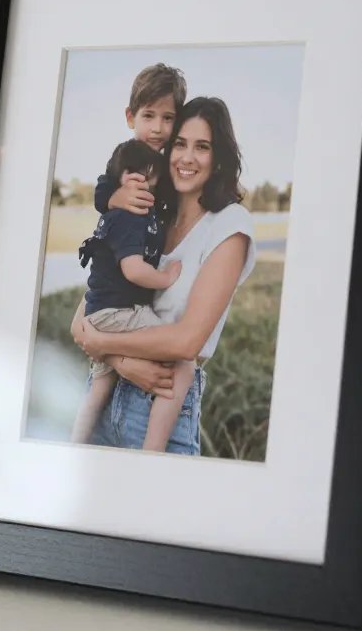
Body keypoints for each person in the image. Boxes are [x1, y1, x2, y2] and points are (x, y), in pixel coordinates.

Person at [72, 96, 256, 456]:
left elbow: (186, 344)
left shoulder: (228, 226)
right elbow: (81, 322)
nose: (187, 157)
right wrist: (123, 364)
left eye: (202, 147)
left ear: (218, 157)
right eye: (180, 144)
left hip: (163, 405)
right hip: (107, 398)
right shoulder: (148, 218)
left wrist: (104, 346)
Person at [71, 139, 195, 451]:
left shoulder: (116, 211)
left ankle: (74, 448)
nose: (154, 187)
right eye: (150, 178)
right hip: (118, 312)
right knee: (182, 361)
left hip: (98, 312)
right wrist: (165, 277)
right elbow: (134, 271)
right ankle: (152, 452)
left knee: (99, 389)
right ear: (131, 178)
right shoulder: (130, 216)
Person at [94, 62, 187, 218]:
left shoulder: (172, 161)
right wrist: (114, 198)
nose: (157, 128)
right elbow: (102, 188)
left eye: (168, 118)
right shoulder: (125, 154)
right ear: (131, 118)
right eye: (148, 116)